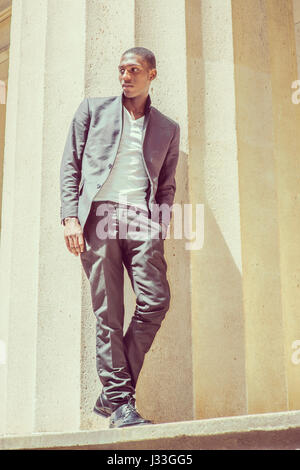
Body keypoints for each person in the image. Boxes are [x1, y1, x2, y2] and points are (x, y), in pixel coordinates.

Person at [60, 47, 180, 428]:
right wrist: (70, 217)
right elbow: (71, 166)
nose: (125, 76)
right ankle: (122, 403)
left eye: (134, 70)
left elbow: (167, 186)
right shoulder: (92, 110)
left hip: (142, 218)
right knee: (108, 313)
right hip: (98, 216)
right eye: (122, 70)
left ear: (152, 75)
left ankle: (112, 393)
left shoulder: (168, 128)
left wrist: (158, 228)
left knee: (155, 300)